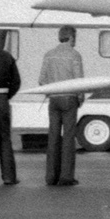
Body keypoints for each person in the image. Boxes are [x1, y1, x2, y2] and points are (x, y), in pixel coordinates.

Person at [38, 26, 84, 186]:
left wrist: (51, 92)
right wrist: (80, 97)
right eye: (75, 37)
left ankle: (51, 177)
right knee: (69, 137)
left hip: (54, 100)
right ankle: (66, 177)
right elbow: (79, 81)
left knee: (53, 137)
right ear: (71, 37)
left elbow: (42, 80)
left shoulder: (49, 55)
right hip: (70, 99)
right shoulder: (75, 55)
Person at [0, 30, 20, 185]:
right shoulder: (6, 56)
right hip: (1, 99)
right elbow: (16, 82)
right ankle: (9, 177)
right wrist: (6, 95)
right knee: (5, 139)